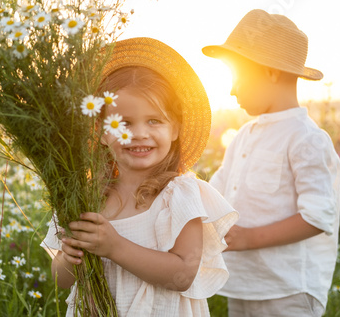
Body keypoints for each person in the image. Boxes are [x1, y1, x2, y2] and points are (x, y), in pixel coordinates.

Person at [41, 37, 239, 316]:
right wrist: (71, 259)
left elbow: (183, 275)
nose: (139, 134)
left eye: (154, 120)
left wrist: (114, 247)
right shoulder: (86, 198)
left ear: (175, 129)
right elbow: (60, 280)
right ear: (99, 131)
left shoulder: (178, 194)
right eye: (122, 123)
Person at [202, 9, 340, 317]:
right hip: (245, 285)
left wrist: (249, 238)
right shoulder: (243, 136)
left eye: (238, 76)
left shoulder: (306, 139)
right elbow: (213, 196)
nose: (232, 89)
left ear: (271, 72)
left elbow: (318, 217)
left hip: (289, 290)